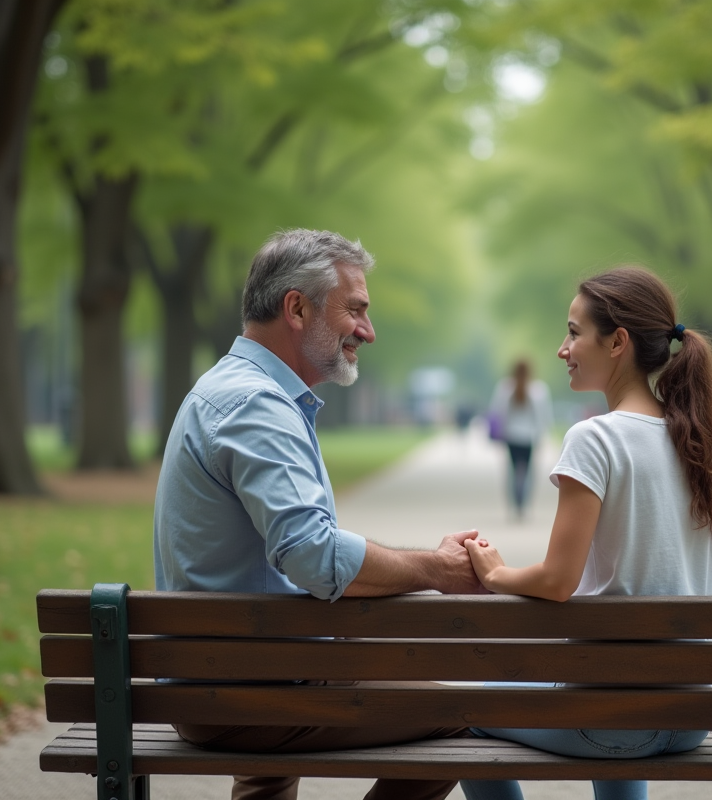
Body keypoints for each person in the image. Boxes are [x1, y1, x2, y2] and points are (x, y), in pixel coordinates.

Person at [153, 228, 482, 800]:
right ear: (297, 308)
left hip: (224, 671)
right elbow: (315, 557)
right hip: (246, 691)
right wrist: (436, 570)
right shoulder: (256, 405)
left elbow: (305, 550)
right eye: (355, 309)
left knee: (271, 765)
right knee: (459, 715)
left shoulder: (232, 390)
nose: (368, 331)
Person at [459, 266, 712, 800]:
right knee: (611, 692)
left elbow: (558, 581)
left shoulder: (595, 439)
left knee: (469, 713)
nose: (561, 349)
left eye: (572, 332)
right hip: (691, 716)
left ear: (617, 343)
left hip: (613, 720)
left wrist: (496, 572)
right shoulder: (693, 441)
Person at [488, 359, 553, 518]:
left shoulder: (504, 388)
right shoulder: (539, 389)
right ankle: (523, 503)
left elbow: (496, 411)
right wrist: (542, 434)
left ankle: (514, 502)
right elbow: (544, 416)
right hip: (529, 437)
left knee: (512, 471)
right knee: (528, 472)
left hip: (511, 436)